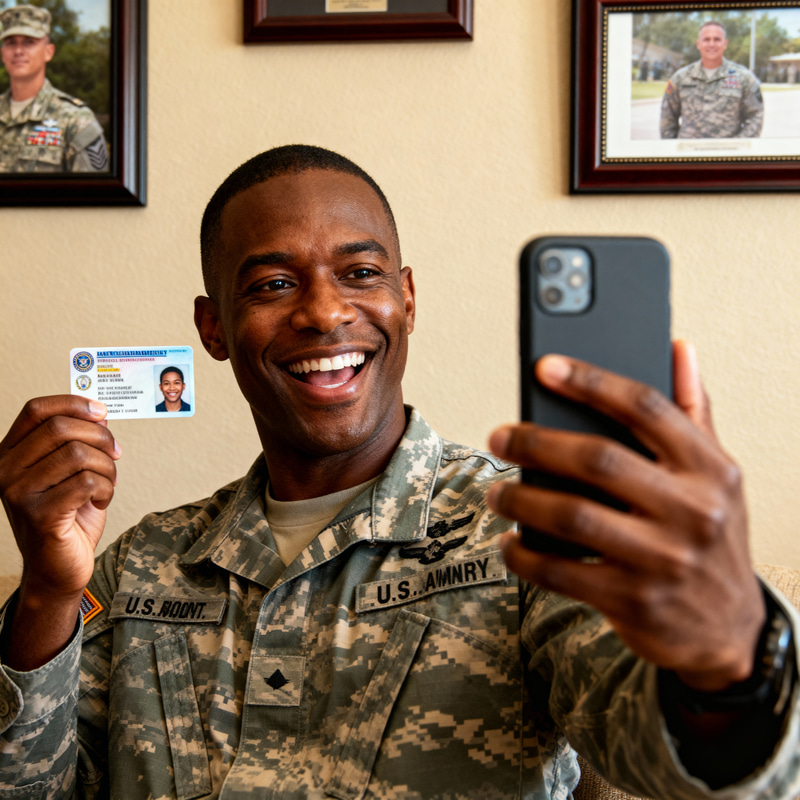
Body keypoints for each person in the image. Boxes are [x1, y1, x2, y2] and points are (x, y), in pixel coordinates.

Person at [0, 145, 798, 799]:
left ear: (406, 299)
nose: (322, 312)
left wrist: (730, 653)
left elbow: (681, 763)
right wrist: (44, 591)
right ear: (213, 327)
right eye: (274, 284)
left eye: (361, 273)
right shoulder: (142, 562)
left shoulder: (524, 526)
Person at [0, 4, 109, 173]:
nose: (18, 51)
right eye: (11, 43)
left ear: (48, 52)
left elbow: (94, 195)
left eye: (29, 42)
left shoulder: (76, 120)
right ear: (2, 53)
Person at [660, 20, 764, 139]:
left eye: (717, 39)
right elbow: (667, 118)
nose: (711, 44)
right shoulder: (680, 78)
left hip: (727, 154)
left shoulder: (744, 78)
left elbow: (756, 116)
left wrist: (737, 148)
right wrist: (673, 150)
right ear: (698, 44)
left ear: (725, 43)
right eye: (706, 39)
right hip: (689, 155)